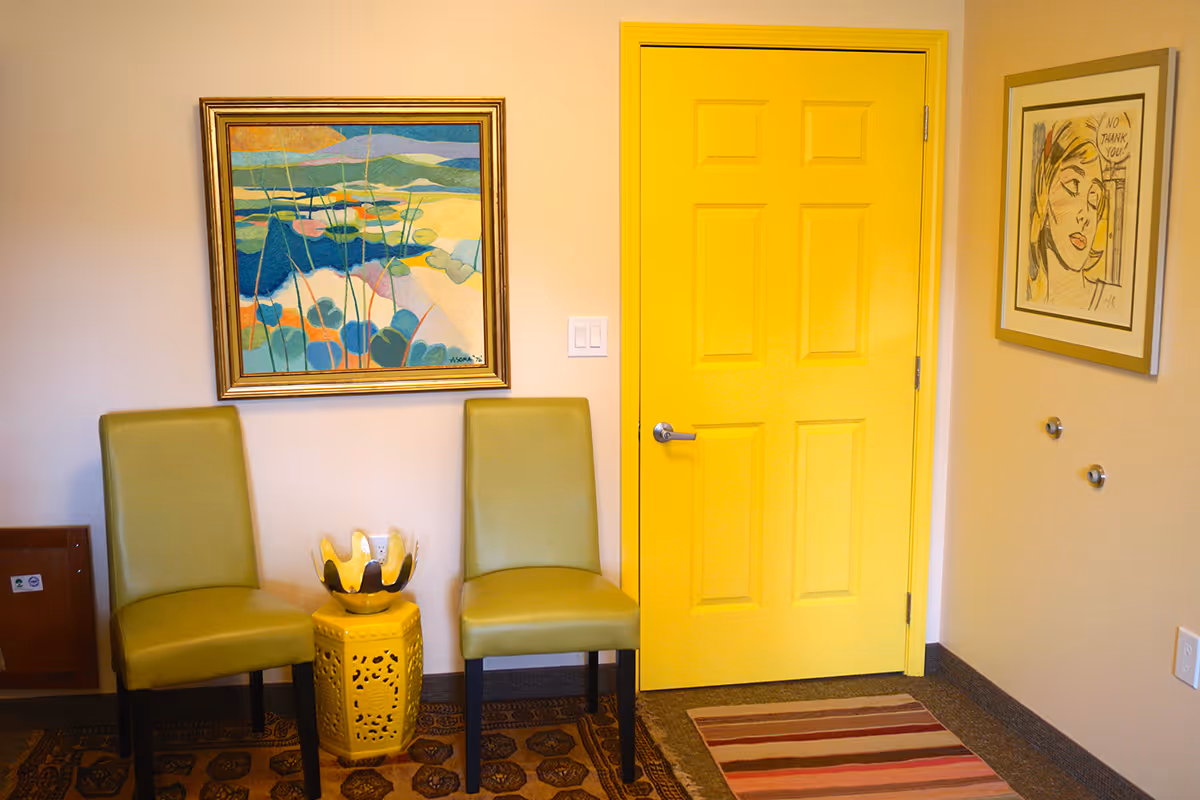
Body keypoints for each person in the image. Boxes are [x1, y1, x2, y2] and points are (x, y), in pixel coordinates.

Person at [1026, 117, 1110, 311]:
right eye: (1072, 187)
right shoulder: (1029, 297)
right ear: (1044, 193)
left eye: (1094, 199)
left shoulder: (1108, 301)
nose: (1086, 216)